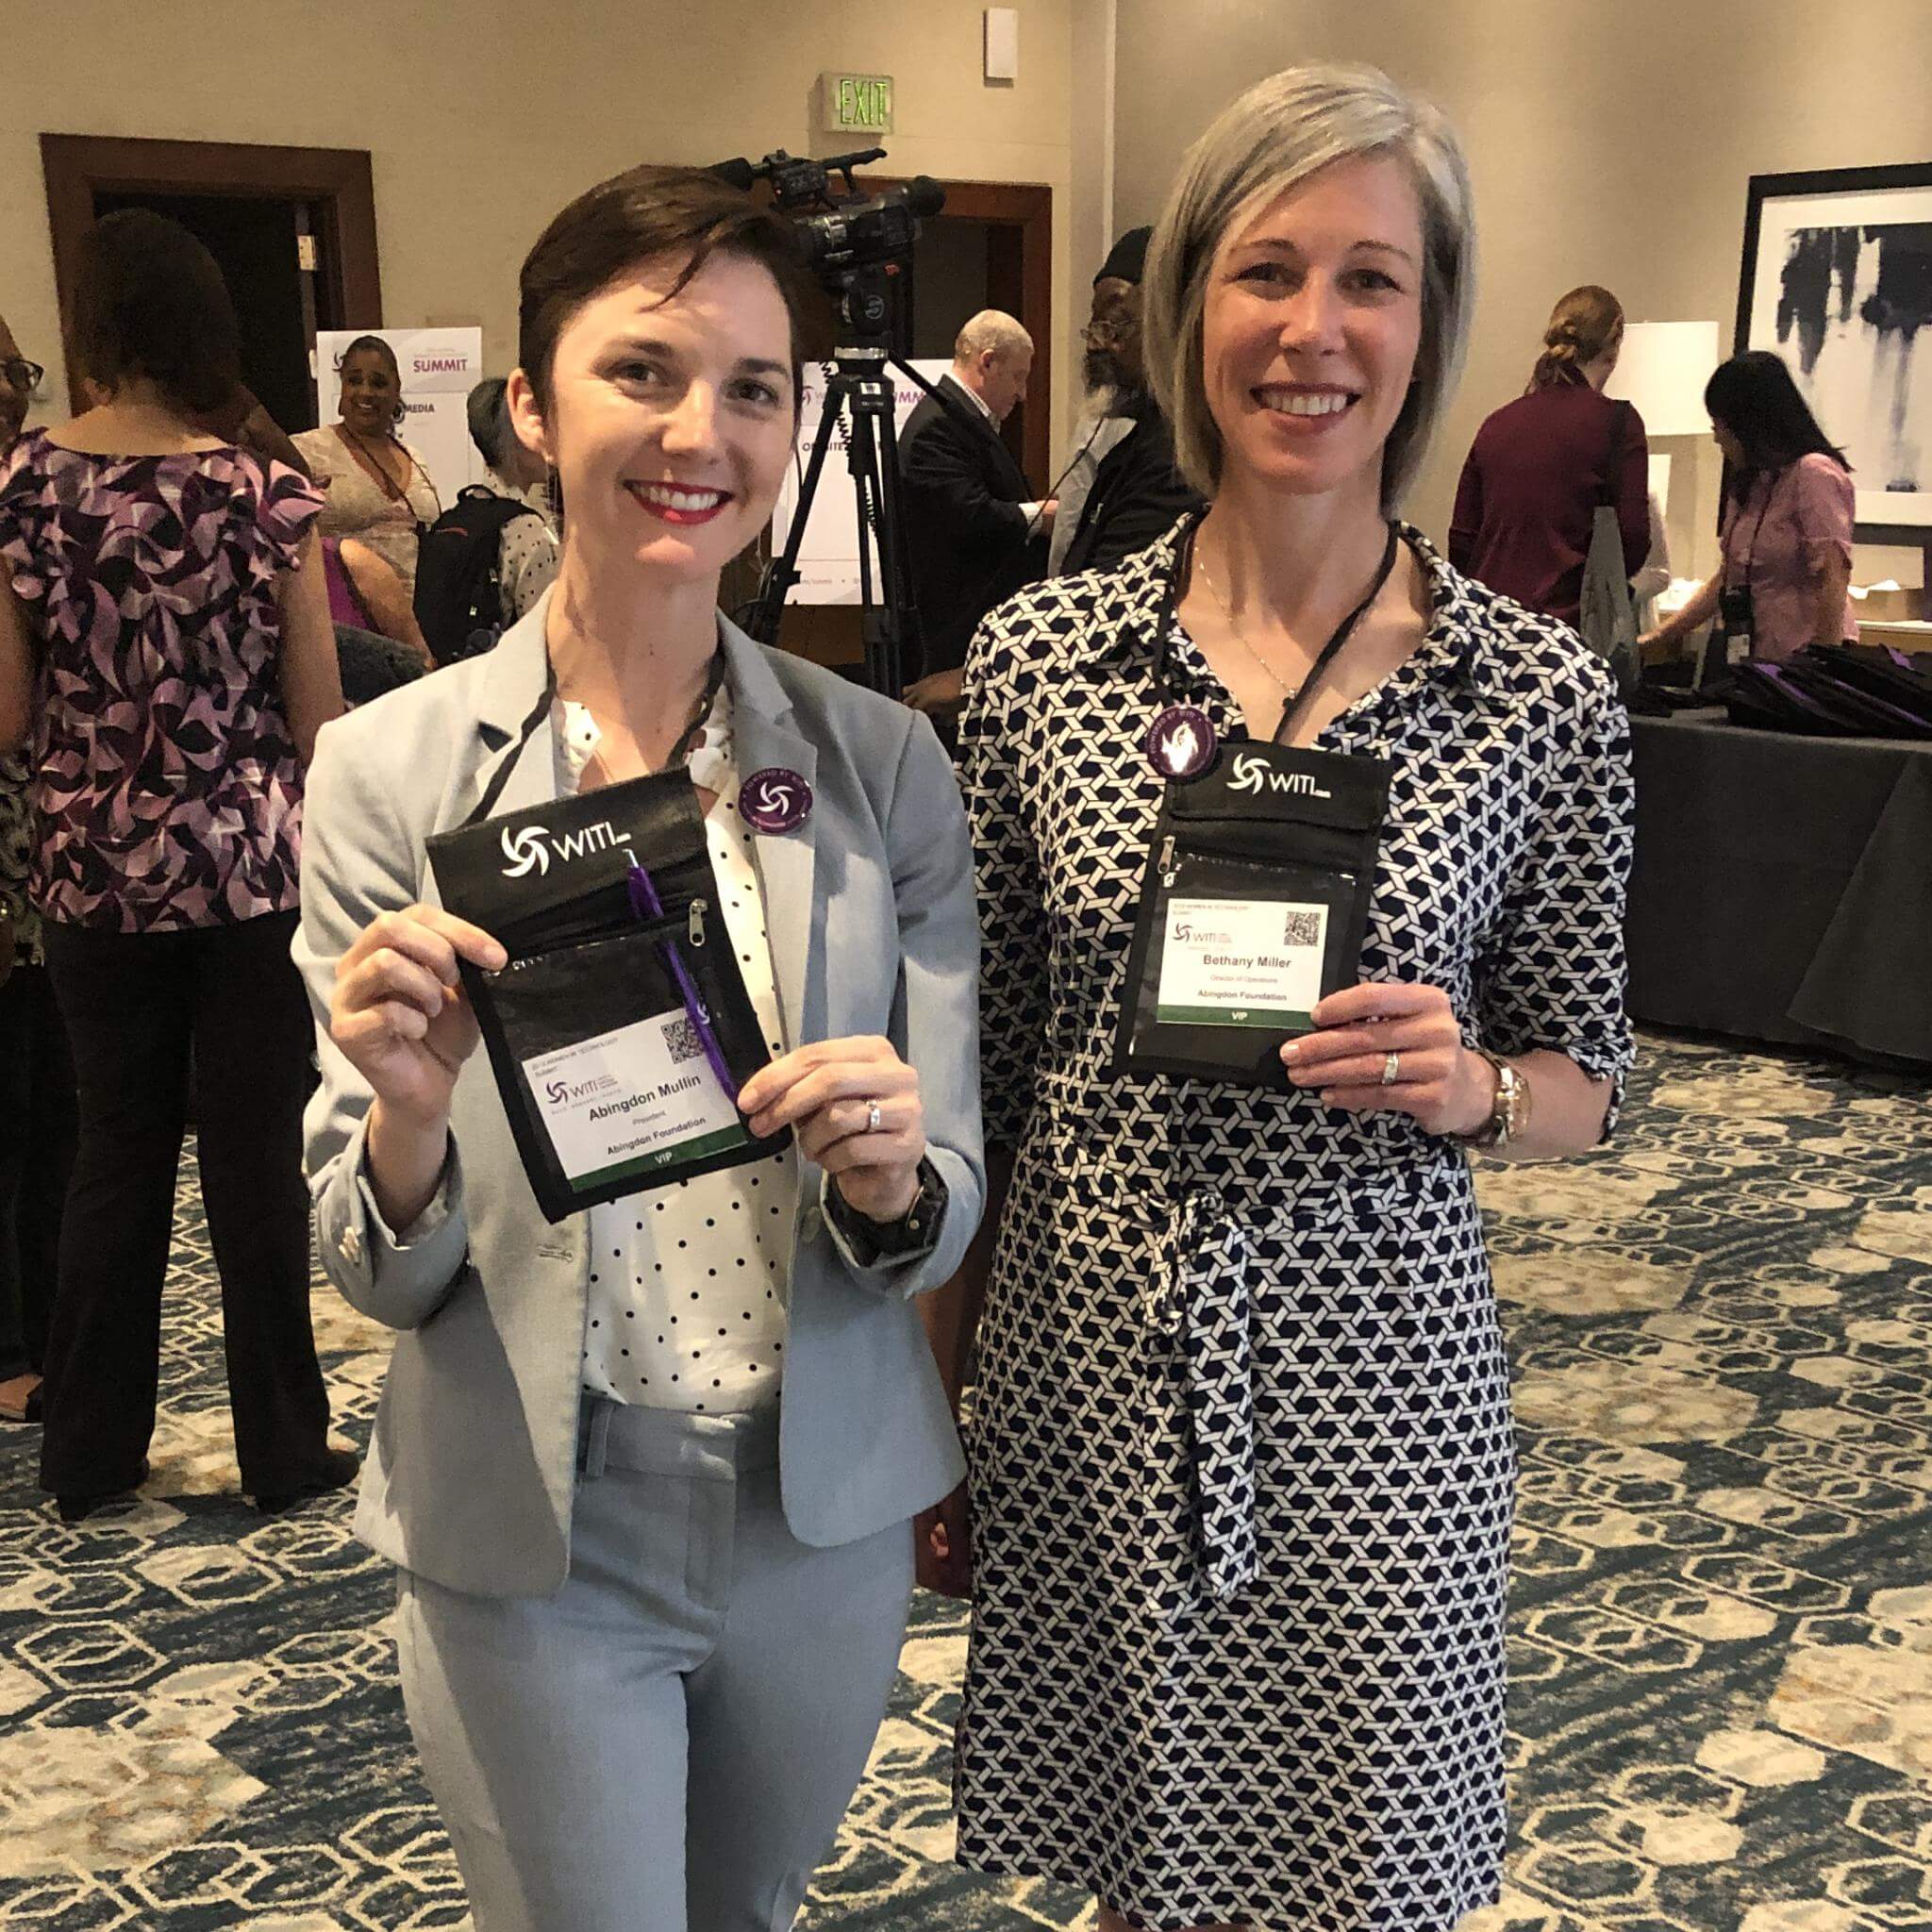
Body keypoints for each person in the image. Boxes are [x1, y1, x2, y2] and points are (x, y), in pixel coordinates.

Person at [934, 63, 1635, 1932]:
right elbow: (981, 1080)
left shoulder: (1533, 698)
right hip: (1088, 1365)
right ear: (1188, 317)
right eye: (1265, 271)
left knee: (1362, 1870)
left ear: (1429, 323)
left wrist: (1471, 1084)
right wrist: (941, 1415)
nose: (1311, 329)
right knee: (1140, 1878)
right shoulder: (1043, 664)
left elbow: (1593, 1074)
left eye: (1370, 280)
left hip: (1379, 1377)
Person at [295, 165, 982, 1932]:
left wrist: (900, 1178)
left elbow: (949, 1199)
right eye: (644, 372)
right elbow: (374, 1266)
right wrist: (408, 1121)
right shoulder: (393, 775)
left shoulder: (871, 765)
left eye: (754, 388)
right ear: (530, 405)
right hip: (540, 1512)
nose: (701, 433)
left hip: (810, 1509)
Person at [0, 210, 353, 1520]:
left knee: (115, 1149)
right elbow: (318, 714)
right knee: (255, 1152)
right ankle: (282, 1448)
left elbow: (3, 712)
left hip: (92, 867)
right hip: (249, 869)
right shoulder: (265, 495)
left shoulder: (24, 486)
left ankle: (89, 1454)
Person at [0, 307, 75, 1428]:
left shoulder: (29, 503)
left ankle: (50, 1327)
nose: (10, 389)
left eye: (15, 371)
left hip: (46, 858)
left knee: (46, 1103)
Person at [1448, 285, 1650, 628]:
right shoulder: (1617, 424)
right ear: (1615, 342)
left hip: (1492, 629)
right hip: (1568, 629)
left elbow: (1463, 541)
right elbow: (1632, 542)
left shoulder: (1497, 424)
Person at [1640, 350, 1857, 664]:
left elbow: (1832, 577)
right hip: (1758, 663)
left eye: (1721, 427)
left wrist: (1822, 665)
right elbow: (1727, 578)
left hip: (1806, 664)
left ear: (1750, 425)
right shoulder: (1750, 483)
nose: (1717, 439)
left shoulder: (1813, 474)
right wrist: (1658, 637)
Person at [897, 310, 1050, 719]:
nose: (1023, 394)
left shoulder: (958, 419)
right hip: (957, 635)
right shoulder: (939, 427)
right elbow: (968, 516)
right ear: (987, 362)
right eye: (1018, 377)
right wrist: (1040, 515)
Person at [1058, 226, 1204, 576]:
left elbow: (1107, 602)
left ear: (1173, 324)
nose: (1096, 344)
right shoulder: (1142, 439)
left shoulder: (1180, 458)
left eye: (1116, 323)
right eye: (1096, 326)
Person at [293, 335, 442, 595]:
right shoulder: (307, 451)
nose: (365, 391)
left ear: (396, 391)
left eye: (378, 383)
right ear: (342, 388)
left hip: (419, 619)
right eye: (354, 380)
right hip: (345, 618)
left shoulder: (415, 459)